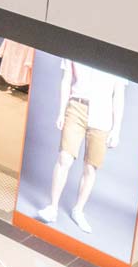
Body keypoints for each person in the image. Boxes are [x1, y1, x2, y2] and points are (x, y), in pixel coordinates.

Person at [35, 59, 127, 235]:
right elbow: (66, 80)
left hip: (103, 112)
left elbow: (119, 95)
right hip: (76, 106)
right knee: (64, 157)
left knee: (91, 167)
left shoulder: (119, 54)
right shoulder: (76, 45)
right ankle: (52, 207)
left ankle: (78, 210)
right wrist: (61, 112)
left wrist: (117, 129)